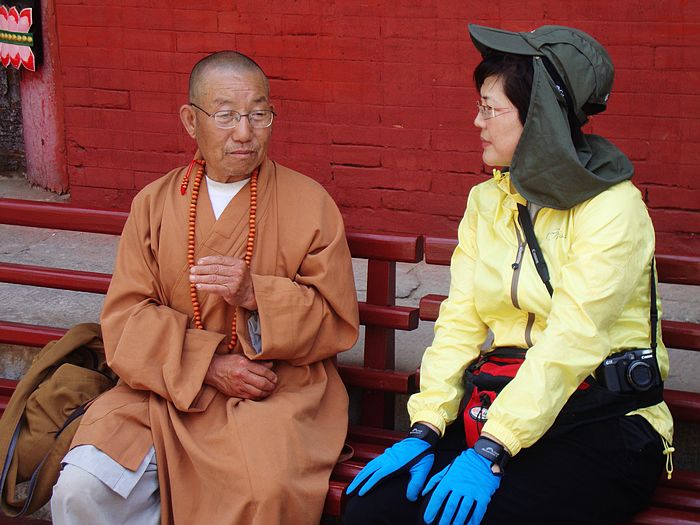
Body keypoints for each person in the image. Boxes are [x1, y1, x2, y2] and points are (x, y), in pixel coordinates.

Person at [344, 24, 673, 525]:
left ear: (540, 119)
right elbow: (459, 322)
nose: (477, 122)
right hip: (503, 400)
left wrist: (492, 448)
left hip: (604, 419)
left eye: (490, 109)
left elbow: (574, 339)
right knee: (371, 508)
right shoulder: (486, 201)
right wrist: (426, 426)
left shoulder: (612, 208)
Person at [50, 51, 359, 525]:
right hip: (162, 389)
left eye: (258, 114)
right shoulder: (154, 204)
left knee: (264, 492)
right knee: (81, 488)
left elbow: (335, 320)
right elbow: (125, 319)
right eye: (227, 115)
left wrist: (256, 295)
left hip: (271, 390)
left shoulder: (309, 202)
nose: (245, 132)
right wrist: (206, 366)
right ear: (190, 121)